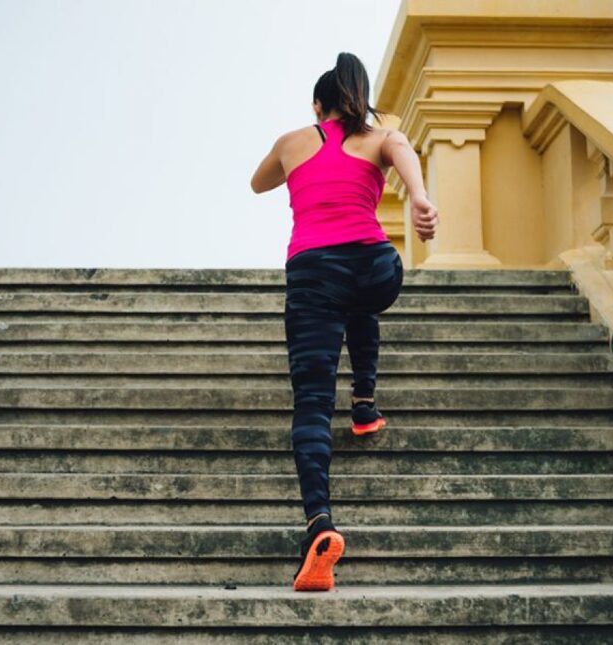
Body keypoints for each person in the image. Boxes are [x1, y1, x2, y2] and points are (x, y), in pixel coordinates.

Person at [250, 51, 439, 592]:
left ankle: (319, 528)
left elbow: (257, 183)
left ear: (317, 105)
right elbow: (402, 149)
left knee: (310, 401)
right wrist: (420, 199)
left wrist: (299, 152)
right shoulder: (380, 136)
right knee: (360, 300)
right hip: (376, 266)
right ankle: (363, 404)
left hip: (313, 273)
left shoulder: (292, 142)